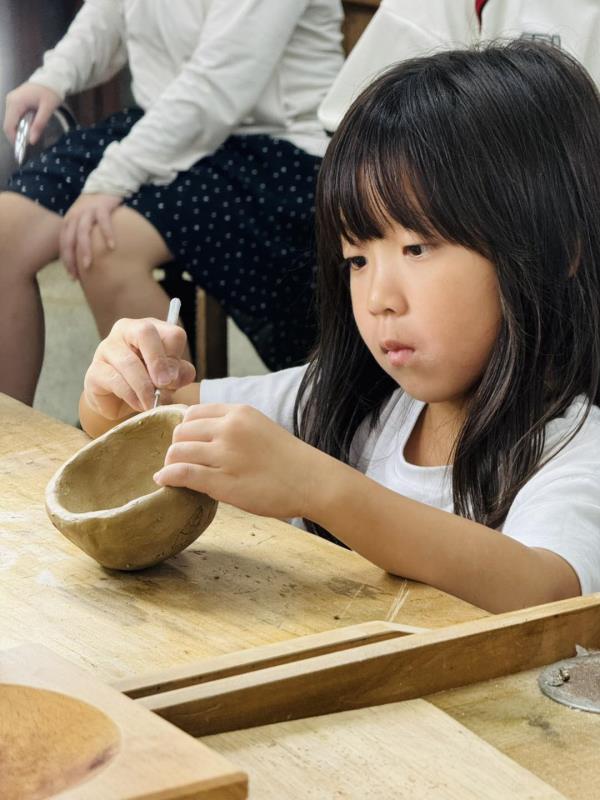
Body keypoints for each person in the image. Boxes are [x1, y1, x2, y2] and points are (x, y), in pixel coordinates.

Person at [79, 41, 600, 613]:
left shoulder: (576, 448)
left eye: (417, 248)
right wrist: (118, 385)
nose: (378, 299)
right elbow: (139, 422)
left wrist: (319, 488)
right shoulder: (352, 402)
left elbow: (547, 592)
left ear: (555, 250)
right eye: (357, 259)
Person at [1, 0, 344, 404]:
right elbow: (108, 12)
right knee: (6, 233)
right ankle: (10, 439)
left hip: (270, 150)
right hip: (163, 122)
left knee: (106, 243)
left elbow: (217, 86)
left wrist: (109, 181)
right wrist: (52, 79)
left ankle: (164, 432)